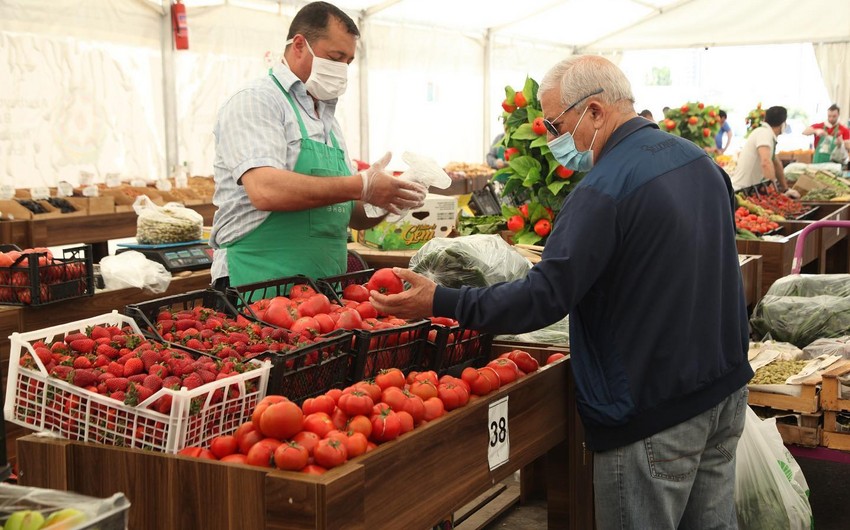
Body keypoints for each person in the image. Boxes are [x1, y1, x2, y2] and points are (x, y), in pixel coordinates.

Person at [371, 55, 751, 530]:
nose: (551, 139)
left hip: (653, 412)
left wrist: (440, 300)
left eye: (556, 123)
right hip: (724, 391)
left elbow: (542, 297)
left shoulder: (604, 190)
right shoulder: (699, 161)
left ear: (594, 111)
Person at [209, 1, 427, 287]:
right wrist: (362, 185)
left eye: (348, 62)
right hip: (255, 285)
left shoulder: (328, 122)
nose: (341, 69)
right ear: (299, 45)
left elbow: (349, 215)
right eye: (335, 57)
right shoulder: (257, 101)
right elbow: (265, 190)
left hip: (323, 292)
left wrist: (389, 198)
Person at [731, 106, 790, 191]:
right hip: (743, 190)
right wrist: (775, 191)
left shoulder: (767, 134)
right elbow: (766, 162)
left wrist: (785, 189)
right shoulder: (764, 133)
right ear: (782, 124)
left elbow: (776, 163)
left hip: (750, 189)